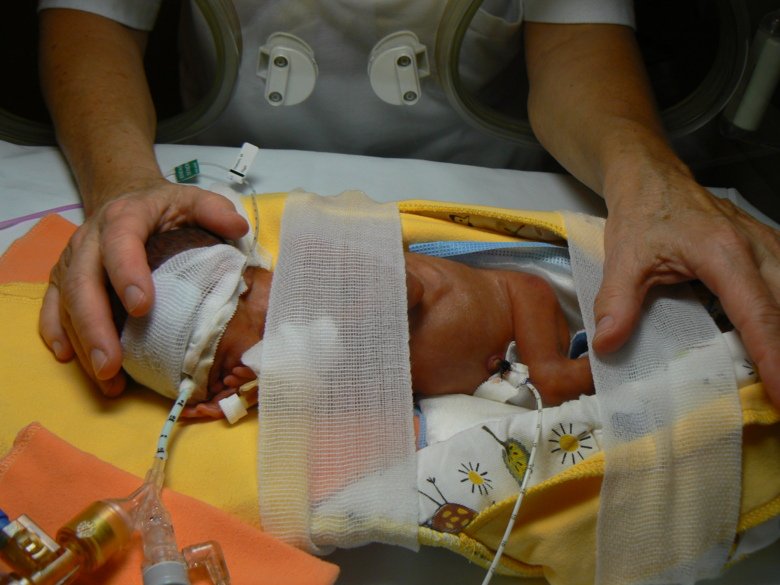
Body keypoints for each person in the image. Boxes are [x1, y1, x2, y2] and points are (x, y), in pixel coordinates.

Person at [35, 2, 780, 409]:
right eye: (225, 363)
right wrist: (121, 182)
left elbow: (574, 39)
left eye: (234, 342)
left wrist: (647, 175)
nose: (248, 360)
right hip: (237, 163)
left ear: (255, 279)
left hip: (474, 169)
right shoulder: (275, 351)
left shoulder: (327, 285)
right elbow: (89, 16)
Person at [115, 227, 593, 419]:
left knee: (554, 381)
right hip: (498, 376)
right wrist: (235, 405)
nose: (232, 377)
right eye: (218, 383)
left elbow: (407, 289)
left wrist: (322, 334)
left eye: (222, 364)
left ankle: (622, 366)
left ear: (248, 285)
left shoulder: (320, 269)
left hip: (517, 304)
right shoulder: (298, 365)